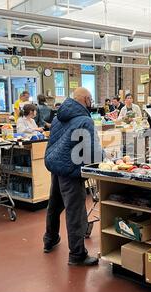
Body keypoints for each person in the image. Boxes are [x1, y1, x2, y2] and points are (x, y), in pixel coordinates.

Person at [44, 87, 103, 266]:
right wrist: (107, 158)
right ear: (86, 99)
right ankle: (77, 254)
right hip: (71, 171)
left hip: (56, 166)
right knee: (75, 211)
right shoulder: (85, 121)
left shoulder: (58, 117)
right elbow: (92, 152)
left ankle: (50, 239)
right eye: (91, 99)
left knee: (54, 205)